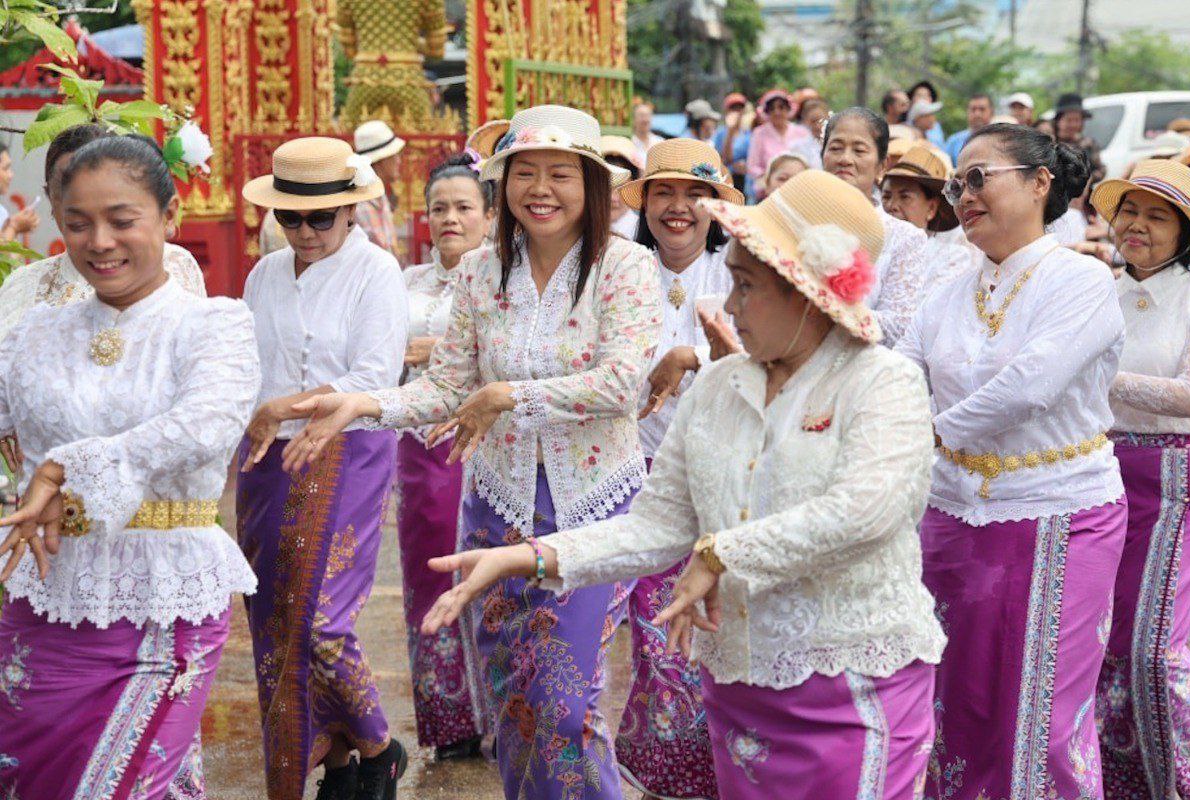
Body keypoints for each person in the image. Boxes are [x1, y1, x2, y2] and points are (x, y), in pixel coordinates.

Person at [411, 168, 948, 799]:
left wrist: (723, 551)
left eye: (745, 288)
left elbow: (867, 511)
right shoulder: (722, 387)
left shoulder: (882, 382)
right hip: (740, 686)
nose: (727, 309)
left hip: (853, 684)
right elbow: (657, 523)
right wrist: (531, 556)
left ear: (806, 295)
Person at [279, 105, 661, 800]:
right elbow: (451, 384)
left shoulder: (626, 266)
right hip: (496, 508)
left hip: (595, 509)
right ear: (504, 185)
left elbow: (623, 382)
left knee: (566, 705)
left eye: (561, 175)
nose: (541, 190)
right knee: (515, 700)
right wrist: (367, 406)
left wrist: (509, 394)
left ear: (592, 187)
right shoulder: (483, 272)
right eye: (526, 174)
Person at [0, 135, 259, 799]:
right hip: (46, 599)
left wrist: (65, 468)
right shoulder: (34, 332)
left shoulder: (212, 326)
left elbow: (204, 425)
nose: (100, 242)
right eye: (78, 223)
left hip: (163, 601)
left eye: (122, 219)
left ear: (169, 217)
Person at [897, 123, 1126, 799]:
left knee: (1041, 715)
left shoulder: (1081, 278)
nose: (963, 195)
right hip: (950, 512)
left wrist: (925, 436)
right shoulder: (947, 288)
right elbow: (903, 369)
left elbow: (1030, 385)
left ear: (1038, 181)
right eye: (956, 184)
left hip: (1059, 511)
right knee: (954, 701)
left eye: (979, 177)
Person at [238, 136, 410, 800]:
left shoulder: (377, 272)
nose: (304, 232)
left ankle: (377, 743)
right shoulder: (264, 274)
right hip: (264, 458)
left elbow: (373, 377)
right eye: (291, 218)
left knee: (320, 620)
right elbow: (244, 369)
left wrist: (283, 406)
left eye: (320, 218)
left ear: (350, 213)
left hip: (349, 448)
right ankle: (336, 764)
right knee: (274, 623)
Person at [1088, 160, 1190, 800]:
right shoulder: (1095, 290)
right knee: (1108, 645)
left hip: (1177, 483)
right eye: (1130, 211)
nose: (1137, 225)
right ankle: (1127, 782)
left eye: (1157, 215)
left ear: (1185, 233)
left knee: (1156, 651)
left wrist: (1087, 377)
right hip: (1102, 478)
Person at [612, 136, 743, 800]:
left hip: (723, 488)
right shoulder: (620, 273)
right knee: (658, 644)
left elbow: (766, 373)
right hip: (636, 482)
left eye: (696, 194)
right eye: (663, 191)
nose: (679, 207)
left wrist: (694, 355)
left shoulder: (742, 273)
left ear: (718, 206)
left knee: (717, 643)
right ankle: (670, 783)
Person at [397, 151, 496, 762]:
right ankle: (449, 717)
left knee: (488, 573)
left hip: (485, 446)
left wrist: (434, 349)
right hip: (419, 449)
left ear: (489, 214)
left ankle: (503, 708)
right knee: (426, 574)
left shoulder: (503, 280)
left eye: (464, 207)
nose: (451, 218)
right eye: (440, 208)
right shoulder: (404, 284)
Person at [0, 124, 207, 343]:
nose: (100, 243)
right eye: (66, 187)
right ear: (50, 196)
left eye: (121, 221)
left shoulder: (176, 265)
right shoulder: (25, 285)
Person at [821, 107, 928, 345]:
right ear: (823, 157)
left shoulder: (904, 237)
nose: (845, 159)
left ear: (882, 166)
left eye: (859, 150)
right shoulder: (799, 220)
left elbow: (898, 325)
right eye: (836, 148)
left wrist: (822, 308)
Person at [879, 142, 975, 294]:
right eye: (886, 196)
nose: (892, 205)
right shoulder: (868, 248)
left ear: (931, 208)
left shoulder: (950, 258)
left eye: (905, 197)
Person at [352, 119, 407, 264]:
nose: (399, 161)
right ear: (380, 160)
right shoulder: (361, 204)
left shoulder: (378, 195)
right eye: (394, 155)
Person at [747, 90, 812, 199]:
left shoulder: (802, 132)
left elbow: (810, 160)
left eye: (781, 107)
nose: (777, 112)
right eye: (772, 109)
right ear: (766, 112)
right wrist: (771, 177)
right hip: (769, 190)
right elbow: (752, 166)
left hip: (799, 188)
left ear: (788, 109)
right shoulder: (759, 133)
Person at [713, 92, 754, 198]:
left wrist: (746, 165)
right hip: (727, 181)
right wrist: (730, 131)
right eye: (733, 108)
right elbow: (723, 159)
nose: (737, 111)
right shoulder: (720, 133)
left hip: (745, 183)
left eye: (740, 108)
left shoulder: (749, 133)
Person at [602, 135, 643, 239]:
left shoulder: (645, 234)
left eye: (621, 188)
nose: (613, 198)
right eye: (606, 188)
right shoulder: (572, 232)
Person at [0, 143, 39, 244]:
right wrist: (14, 227)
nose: (11, 175)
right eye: (5, 168)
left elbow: (12, 257)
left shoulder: (2, 213)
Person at [944, 94, 994, 165]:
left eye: (982, 109)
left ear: (991, 113)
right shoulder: (954, 141)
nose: (977, 114)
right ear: (967, 112)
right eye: (973, 109)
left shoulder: (1000, 142)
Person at [795, 95, 830, 166]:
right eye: (813, 121)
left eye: (820, 121)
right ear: (806, 122)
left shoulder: (836, 143)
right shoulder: (798, 147)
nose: (817, 126)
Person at [908, 81, 946, 146]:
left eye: (928, 95)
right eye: (929, 115)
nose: (933, 118)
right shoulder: (906, 133)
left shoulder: (936, 127)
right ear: (918, 118)